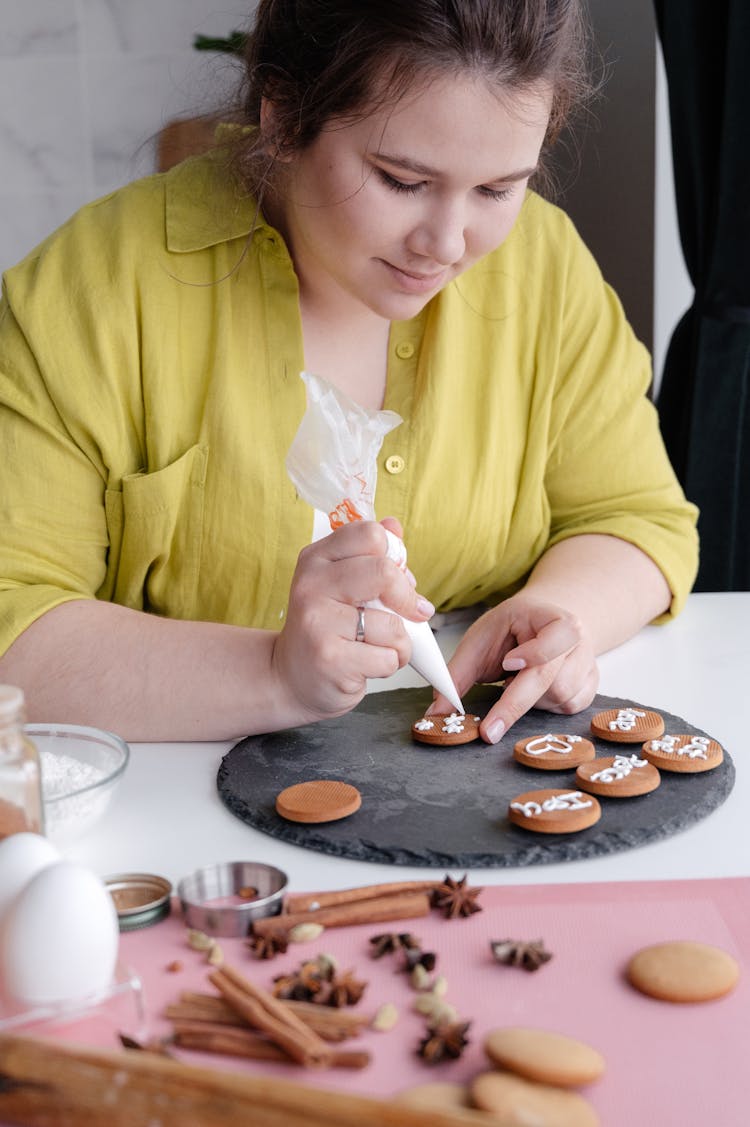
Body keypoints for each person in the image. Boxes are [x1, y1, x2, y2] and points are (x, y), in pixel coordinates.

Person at [0, 0, 697, 743]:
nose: (447, 243)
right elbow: (15, 623)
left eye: (498, 189)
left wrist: (564, 613)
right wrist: (271, 673)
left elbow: (638, 519)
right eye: (401, 180)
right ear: (282, 115)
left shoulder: (544, 268)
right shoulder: (91, 295)